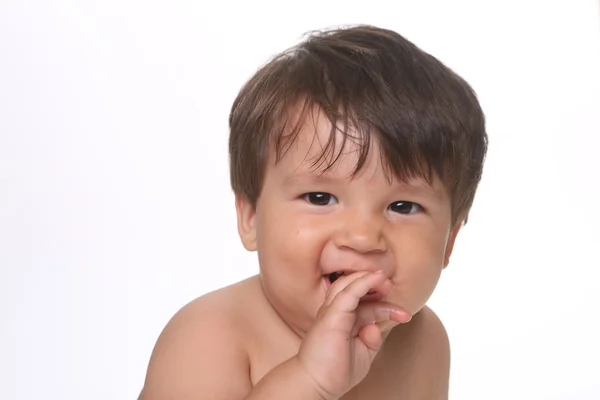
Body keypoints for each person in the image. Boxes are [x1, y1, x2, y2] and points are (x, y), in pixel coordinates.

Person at [139, 24, 488, 400]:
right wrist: (311, 382)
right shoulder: (208, 338)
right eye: (320, 198)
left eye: (403, 206)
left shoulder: (423, 340)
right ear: (251, 217)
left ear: (449, 240)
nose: (362, 236)